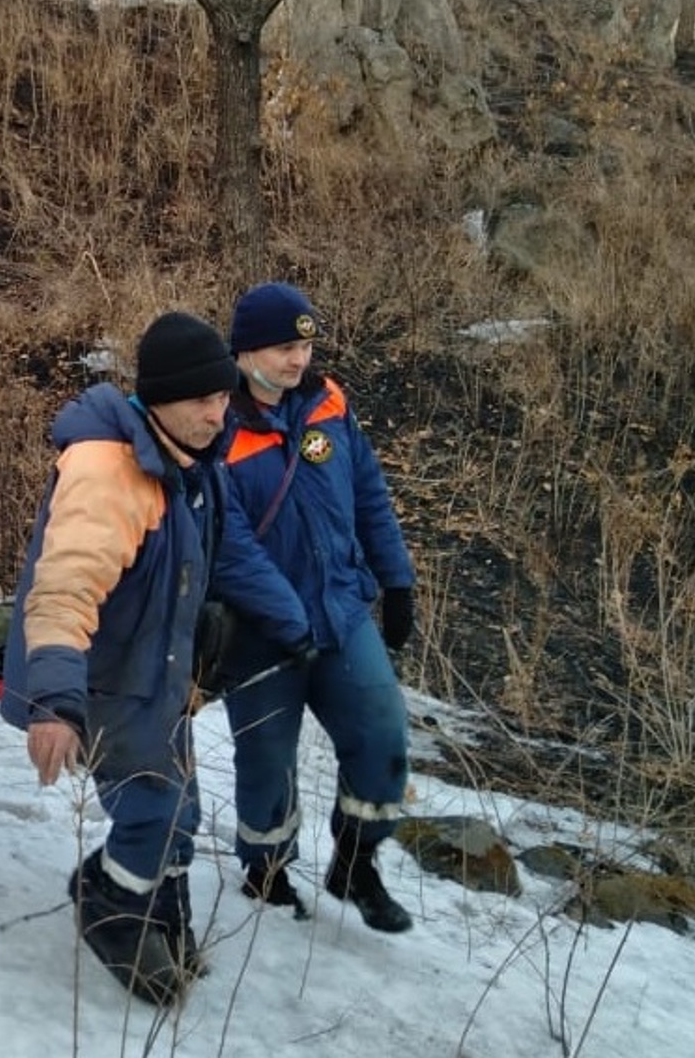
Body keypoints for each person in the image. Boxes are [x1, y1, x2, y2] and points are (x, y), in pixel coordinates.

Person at [0, 312, 312, 1005]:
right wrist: (54, 703)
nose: (216, 410)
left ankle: (163, 919)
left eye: (221, 395)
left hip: (159, 667)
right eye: (202, 399)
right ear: (159, 399)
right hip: (99, 673)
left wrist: (294, 624)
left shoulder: (193, 462)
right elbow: (63, 591)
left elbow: (225, 553)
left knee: (181, 803)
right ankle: (109, 903)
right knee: (153, 809)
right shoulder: (109, 472)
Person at [216, 281, 419, 932]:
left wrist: (397, 579)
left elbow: (368, 492)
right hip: (261, 633)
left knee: (382, 735)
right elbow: (229, 544)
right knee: (266, 761)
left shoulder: (329, 402)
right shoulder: (215, 423)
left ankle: (355, 864)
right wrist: (285, 619)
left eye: (304, 345)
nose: (297, 360)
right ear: (246, 350)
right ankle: (266, 870)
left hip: (340, 610)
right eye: (282, 348)